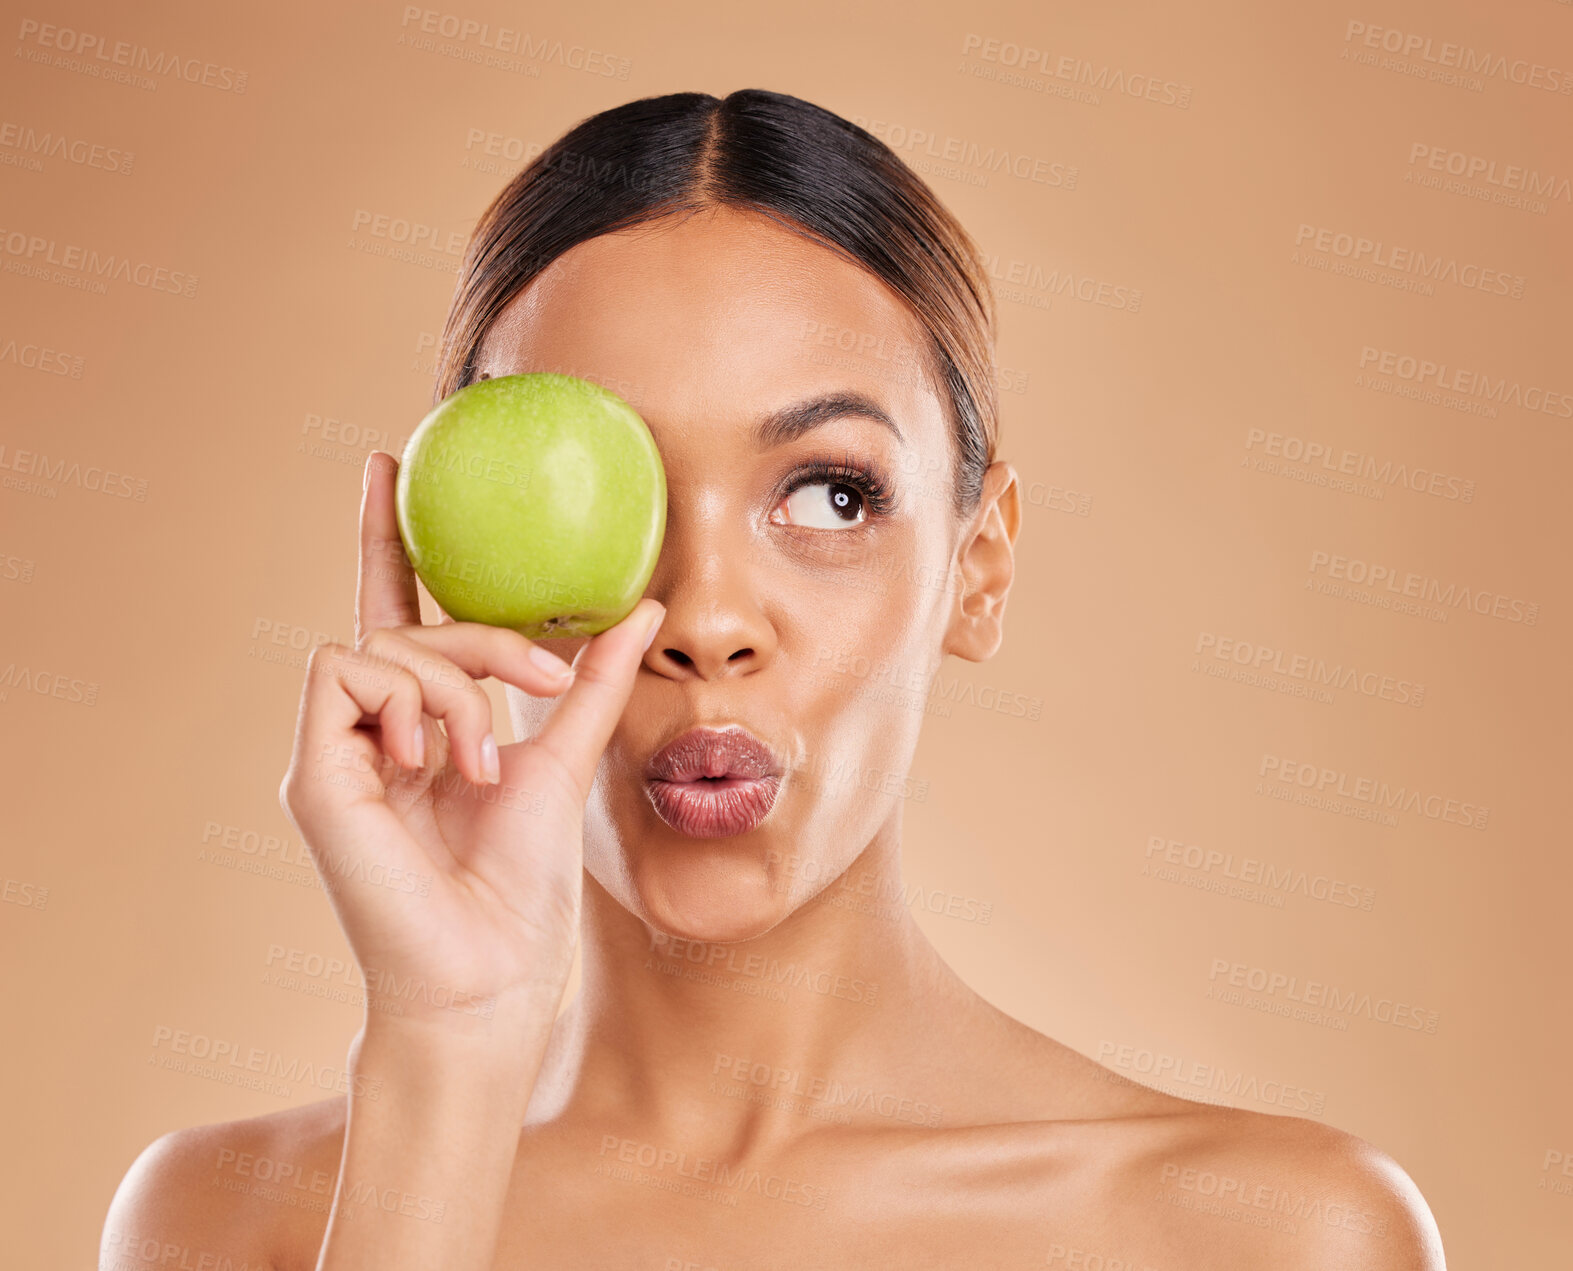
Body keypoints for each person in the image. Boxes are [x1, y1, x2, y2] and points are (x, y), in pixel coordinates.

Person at [101, 89, 1444, 1270]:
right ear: (454, 555)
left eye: (829, 492)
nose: (703, 619)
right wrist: (447, 1050)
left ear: (977, 569)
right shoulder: (228, 1226)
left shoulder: (1266, 1239)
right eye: (604, 493)